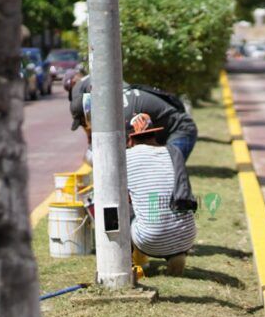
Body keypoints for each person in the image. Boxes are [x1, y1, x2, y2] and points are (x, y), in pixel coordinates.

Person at [126, 124, 197, 276]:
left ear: (130, 140)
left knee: (119, 207)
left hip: (150, 240)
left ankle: (128, 265)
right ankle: (176, 255)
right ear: (154, 136)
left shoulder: (125, 157)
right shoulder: (173, 152)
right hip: (187, 237)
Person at [70, 76, 199, 160]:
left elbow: (121, 154)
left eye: (83, 123)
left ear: (89, 115)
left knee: (168, 173)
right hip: (168, 130)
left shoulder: (121, 116)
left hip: (181, 130)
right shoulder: (113, 104)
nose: (86, 127)